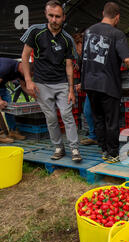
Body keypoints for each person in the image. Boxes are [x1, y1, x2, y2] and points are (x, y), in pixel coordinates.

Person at [20, 0, 82, 162]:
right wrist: (28, 81)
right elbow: (25, 56)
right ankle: (58, 147)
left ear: (63, 17)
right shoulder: (35, 31)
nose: (54, 20)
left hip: (61, 83)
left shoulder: (68, 39)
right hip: (41, 83)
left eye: (57, 16)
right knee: (51, 117)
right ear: (46, 15)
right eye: (51, 16)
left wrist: (70, 90)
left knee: (67, 115)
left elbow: (69, 66)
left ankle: (75, 149)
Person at [81, 2, 129, 163]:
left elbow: (83, 57)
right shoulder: (117, 34)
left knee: (98, 118)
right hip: (108, 84)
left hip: (89, 83)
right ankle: (113, 154)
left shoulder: (89, 31)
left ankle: (104, 150)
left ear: (103, 13)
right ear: (117, 17)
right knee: (111, 120)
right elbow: (128, 60)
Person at [72, 33, 97, 146]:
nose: (78, 49)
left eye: (79, 46)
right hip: (89, 88)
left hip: (97, 87)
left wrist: (83, 84)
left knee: (92, 111)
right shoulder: (81, 58)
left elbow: (93, 73)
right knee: (88, 111)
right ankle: (93, 135)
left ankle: (97, 136)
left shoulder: (92, 57)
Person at [0, 58, 30, 143]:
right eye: (29, 74)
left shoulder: (22, 72)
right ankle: (1, 134)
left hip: (2, 87)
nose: (29, 76)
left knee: (10, 108)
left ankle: (12, 131)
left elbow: (24, 87)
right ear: (22, 67)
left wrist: (36, 97)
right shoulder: (6, 67)